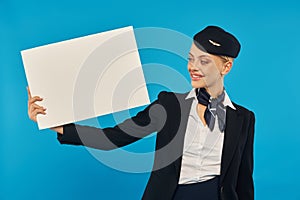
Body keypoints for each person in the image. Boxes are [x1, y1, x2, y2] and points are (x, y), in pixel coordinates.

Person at [27, 26, 255, 200]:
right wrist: (57, 125)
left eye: (204, 61)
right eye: (190, 59)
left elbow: (243, 178)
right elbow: (115, 137)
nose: (192, 67)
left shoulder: (243, 118)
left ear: (226, 67)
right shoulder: (169, 105)